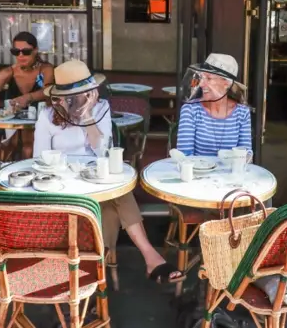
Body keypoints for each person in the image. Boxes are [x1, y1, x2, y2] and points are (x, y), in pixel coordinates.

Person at [34, 59, 184, 285]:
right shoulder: (47, 115)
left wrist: (87, 117)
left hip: (95, 179)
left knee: (119, 193)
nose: (82, 98)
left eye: (86, 93)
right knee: (110, 211)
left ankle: (92, 274)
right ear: (62, 96)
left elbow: (102, 151)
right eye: (75, 95)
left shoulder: (101, 108)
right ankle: (119, 265)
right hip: (62, 183)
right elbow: (39, 158)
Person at [0, 31, 54, 159]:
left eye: (26, 51)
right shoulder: (9, 71)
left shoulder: (45, 69)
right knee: (13, 146)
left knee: (29, 148)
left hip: (40, 120)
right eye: (16, 52)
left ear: (35, 50)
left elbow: (48, 90)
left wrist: (28, 97)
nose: (21, 55)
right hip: (14, 121)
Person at [176, 53, 252, 156]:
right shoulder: (190, 110)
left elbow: (246, 153)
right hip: (197, 171)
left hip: (231, 172)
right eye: (201, 78)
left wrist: (244, 159)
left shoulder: (242, 112)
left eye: (209, 79)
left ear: (226, 83)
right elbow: (184, 156)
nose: (201, 84)